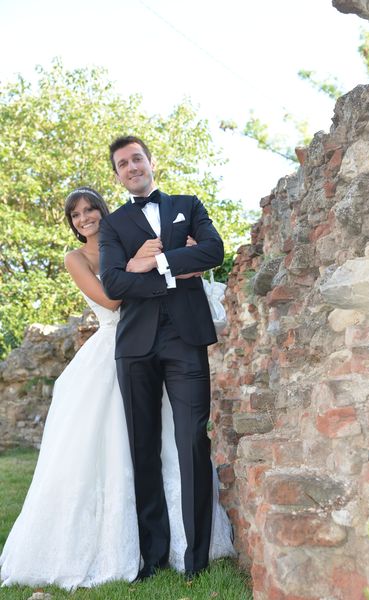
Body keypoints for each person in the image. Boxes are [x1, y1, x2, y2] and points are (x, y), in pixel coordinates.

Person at [0, 187, 234, 590]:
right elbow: (111, 297)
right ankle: (120, 544)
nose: (85, 218)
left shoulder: (122, 235)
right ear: (71, 224)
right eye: (76, 215)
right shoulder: (76, 258)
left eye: (91, 209)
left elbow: (167, 266)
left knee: (175, 443)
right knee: (116, 451)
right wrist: (155, 266)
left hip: (158, 339)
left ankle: (186, 546)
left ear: (103, 211)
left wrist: (151, 263)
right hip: (113, 353)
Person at [99, 135, 224, 580]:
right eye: (123, 164)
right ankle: (152, 557)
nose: (132, 167)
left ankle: (196, 561)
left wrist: (153, 262)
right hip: (135, 346)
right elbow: (113, 283)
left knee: (192, 441)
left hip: (185, 339)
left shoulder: (188, 204)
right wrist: (179, 264)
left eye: (137, 159)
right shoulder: (113, 225)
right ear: (118, 175)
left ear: (151, 162)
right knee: (143, 448)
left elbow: (213, 251)